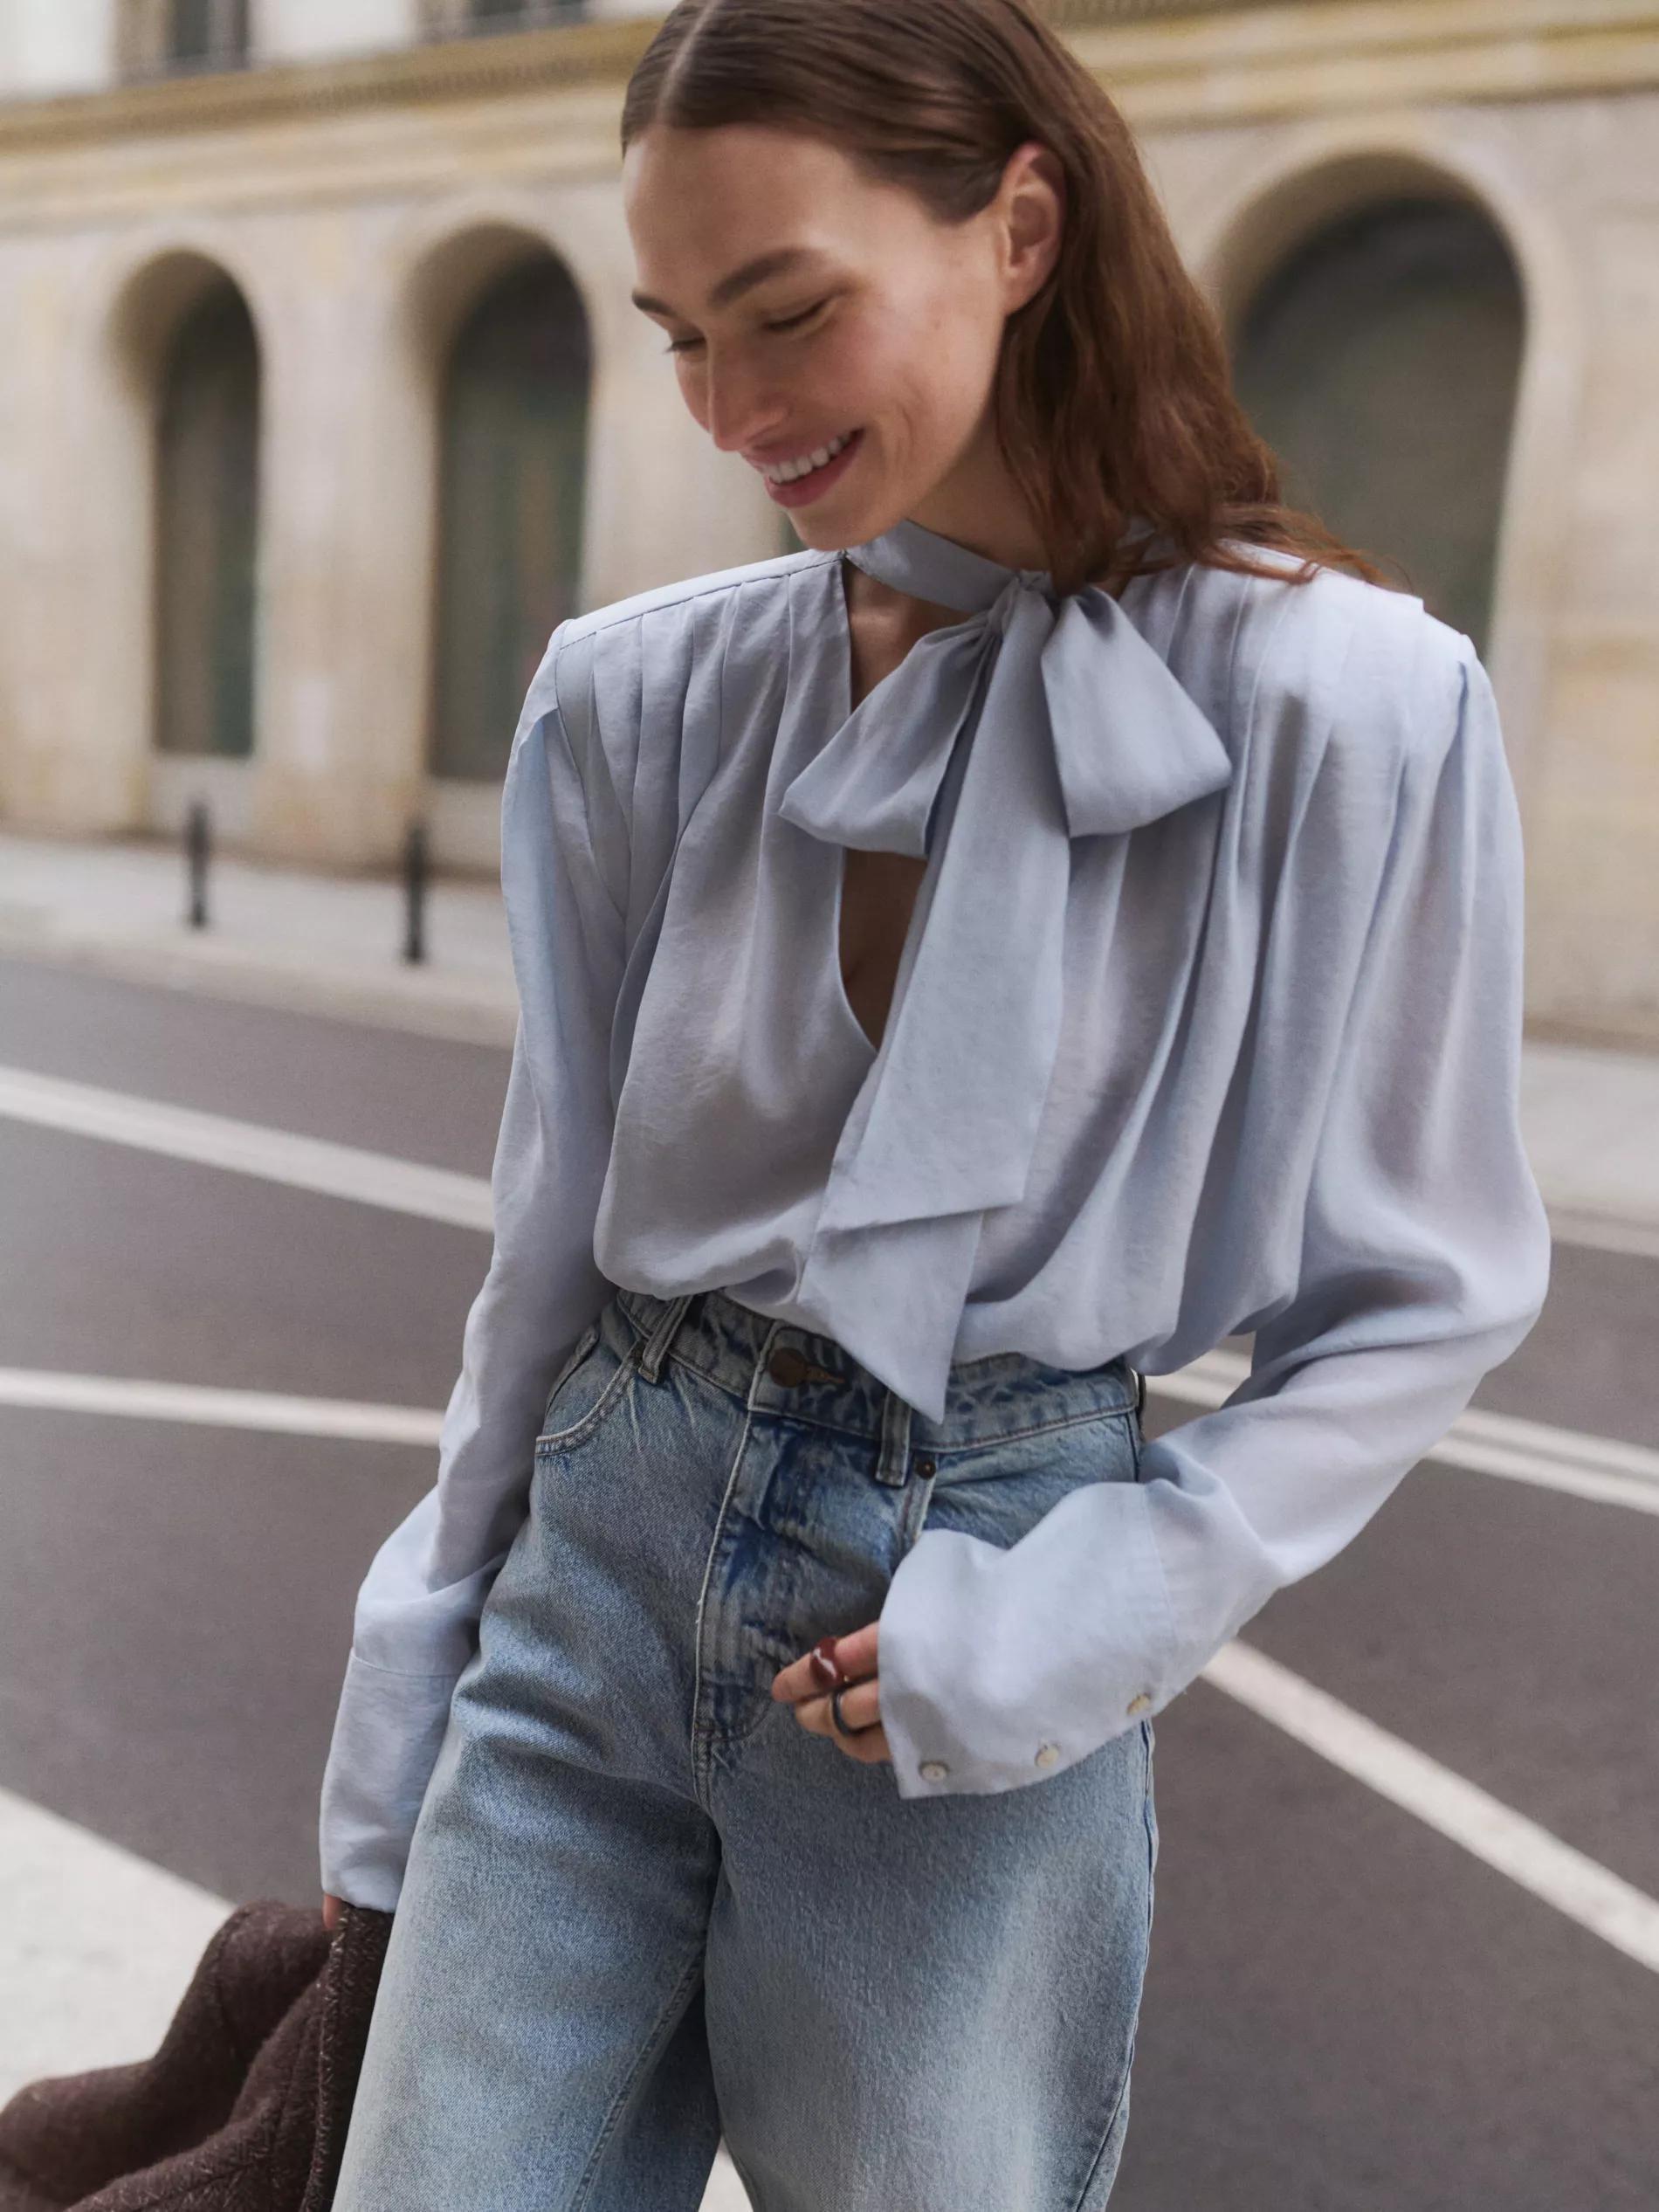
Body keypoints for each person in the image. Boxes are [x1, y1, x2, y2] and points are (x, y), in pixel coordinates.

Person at [320, 2, 1552, 2206]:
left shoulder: (1345, 710)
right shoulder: (633, 700)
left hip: (964, 1624)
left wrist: (1090, 1607)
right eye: (680, 334)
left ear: (1018, 224)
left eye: (785, 310)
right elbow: (544, 1255)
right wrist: (408, 1679)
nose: (733, 410)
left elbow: (1424, 1288)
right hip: (591, 1584)